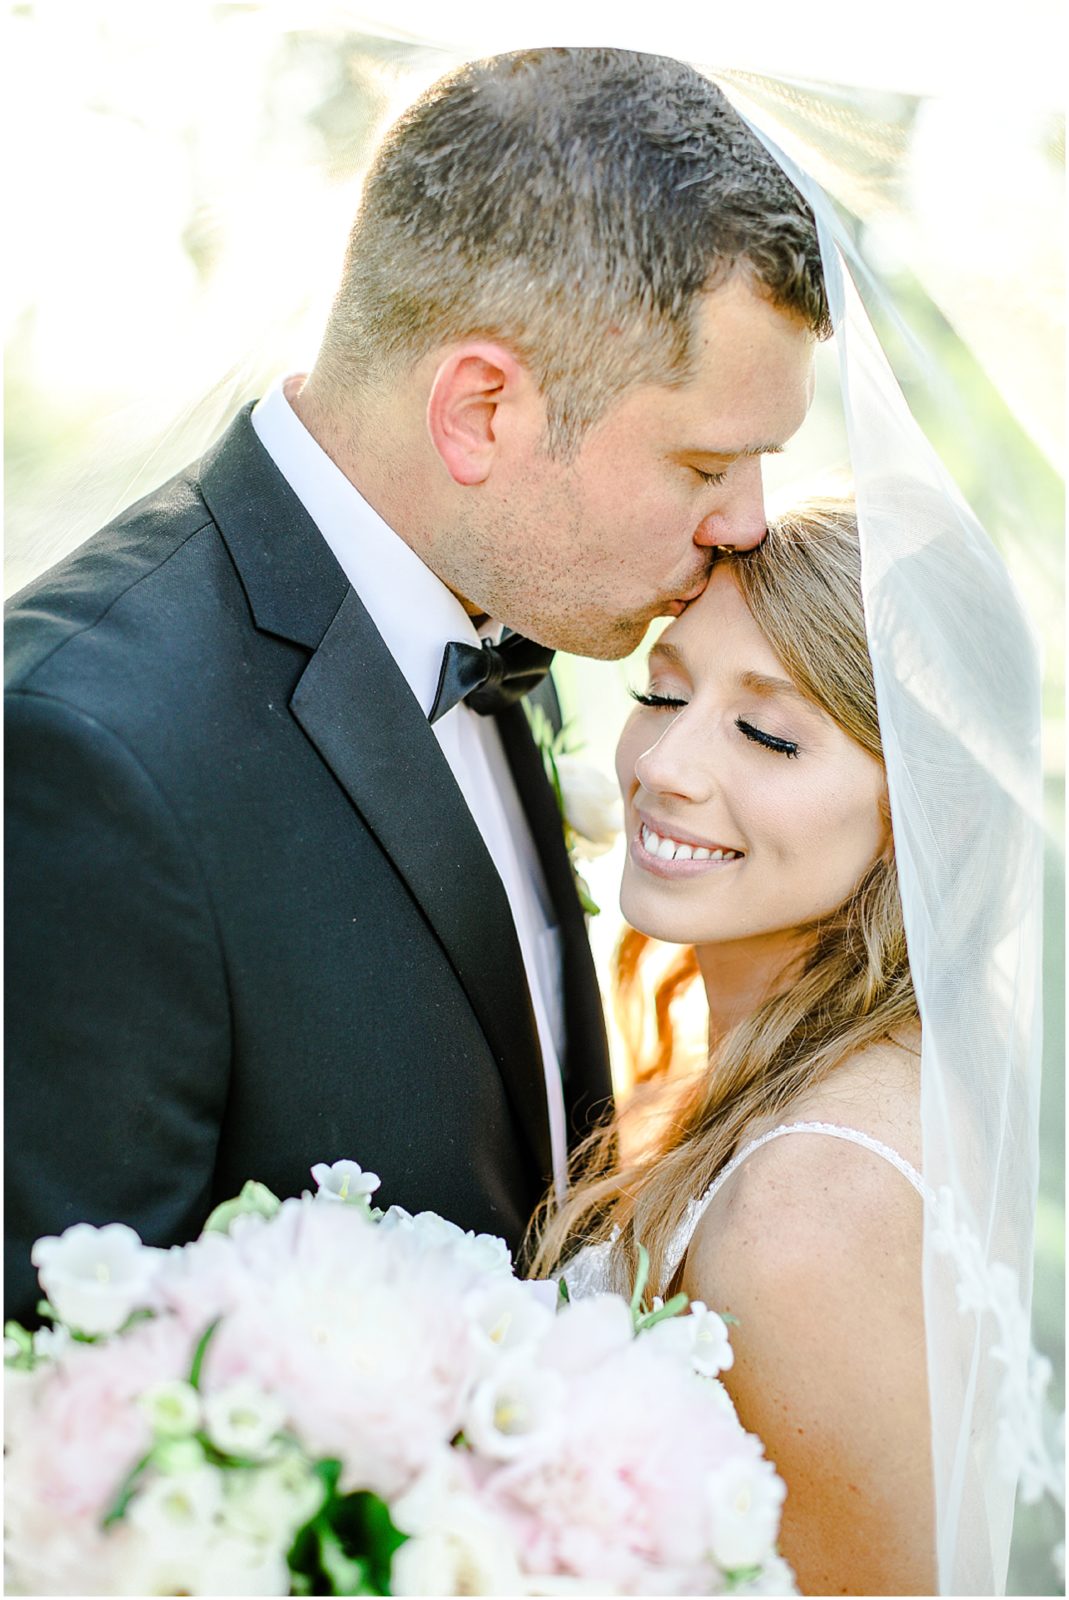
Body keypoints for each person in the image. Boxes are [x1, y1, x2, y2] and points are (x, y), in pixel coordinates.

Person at [3, 47, 827, 1324]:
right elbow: (58, 1413)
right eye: (706, 461)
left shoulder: (492, 610)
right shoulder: (85, 753)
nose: (747, 523)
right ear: (481, 411)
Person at [533, 501, 937, 1595]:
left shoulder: (805, 1212)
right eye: (660, 693)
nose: (664, 764)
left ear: (919, 811)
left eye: (765, 733)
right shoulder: (793, 1078)